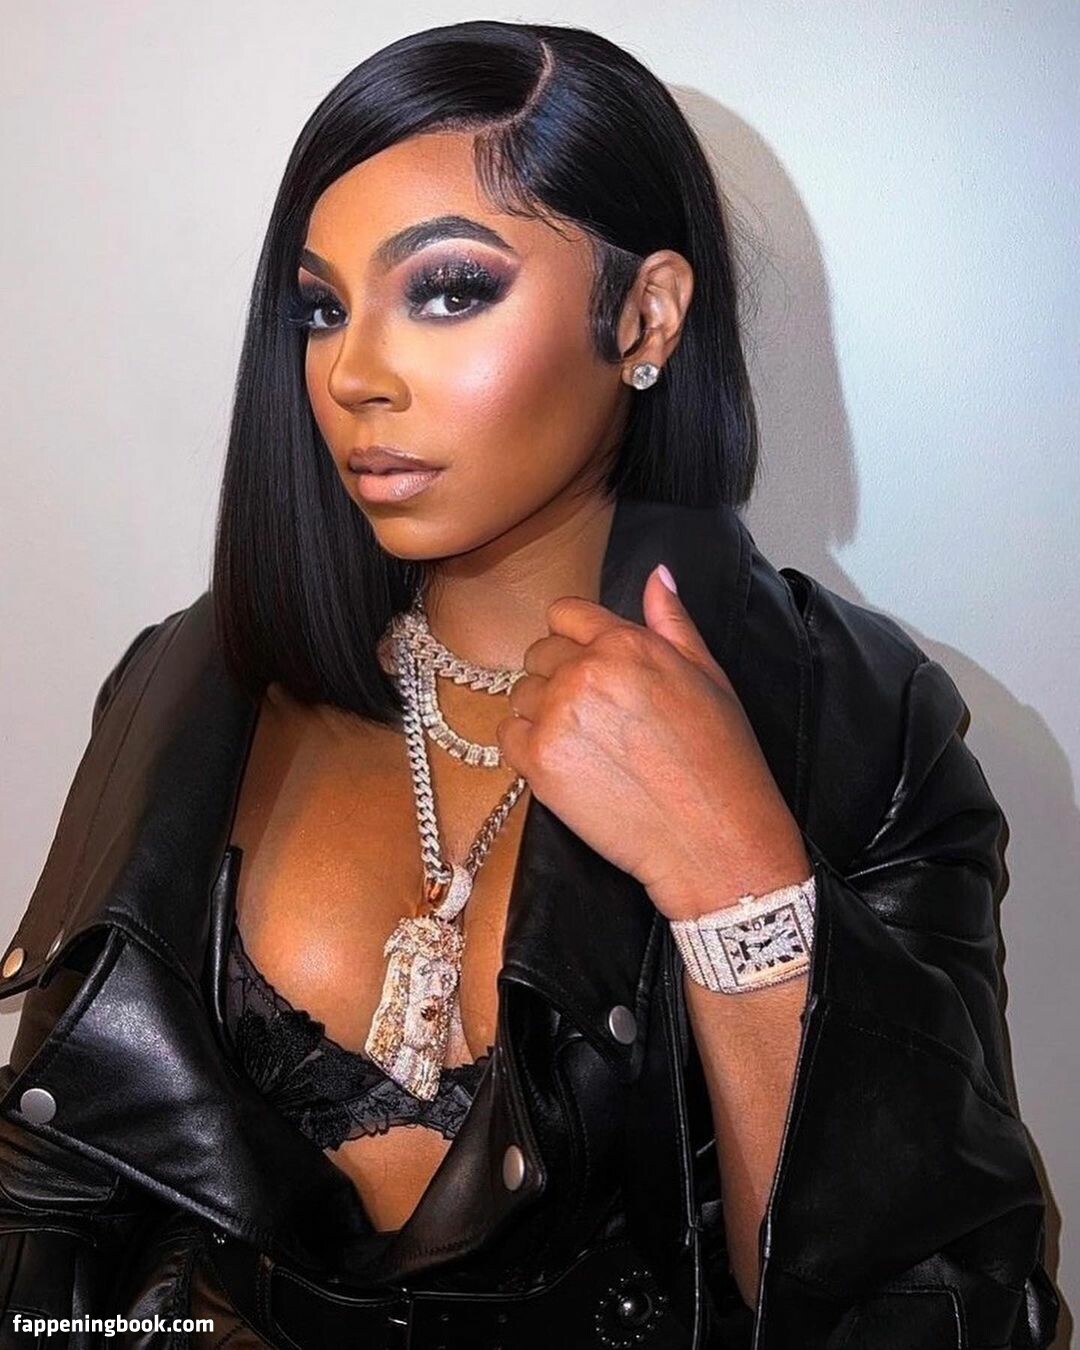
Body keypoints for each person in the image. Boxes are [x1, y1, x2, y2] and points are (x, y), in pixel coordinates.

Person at [0, 19, 1059, 1350]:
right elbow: (53, 1212)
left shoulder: (863, 726)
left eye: (447, 290)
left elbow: (931, 1304)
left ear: (645, 315)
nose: (353, 375)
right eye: (323, 307)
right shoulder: (187, 687)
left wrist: (736, 875)